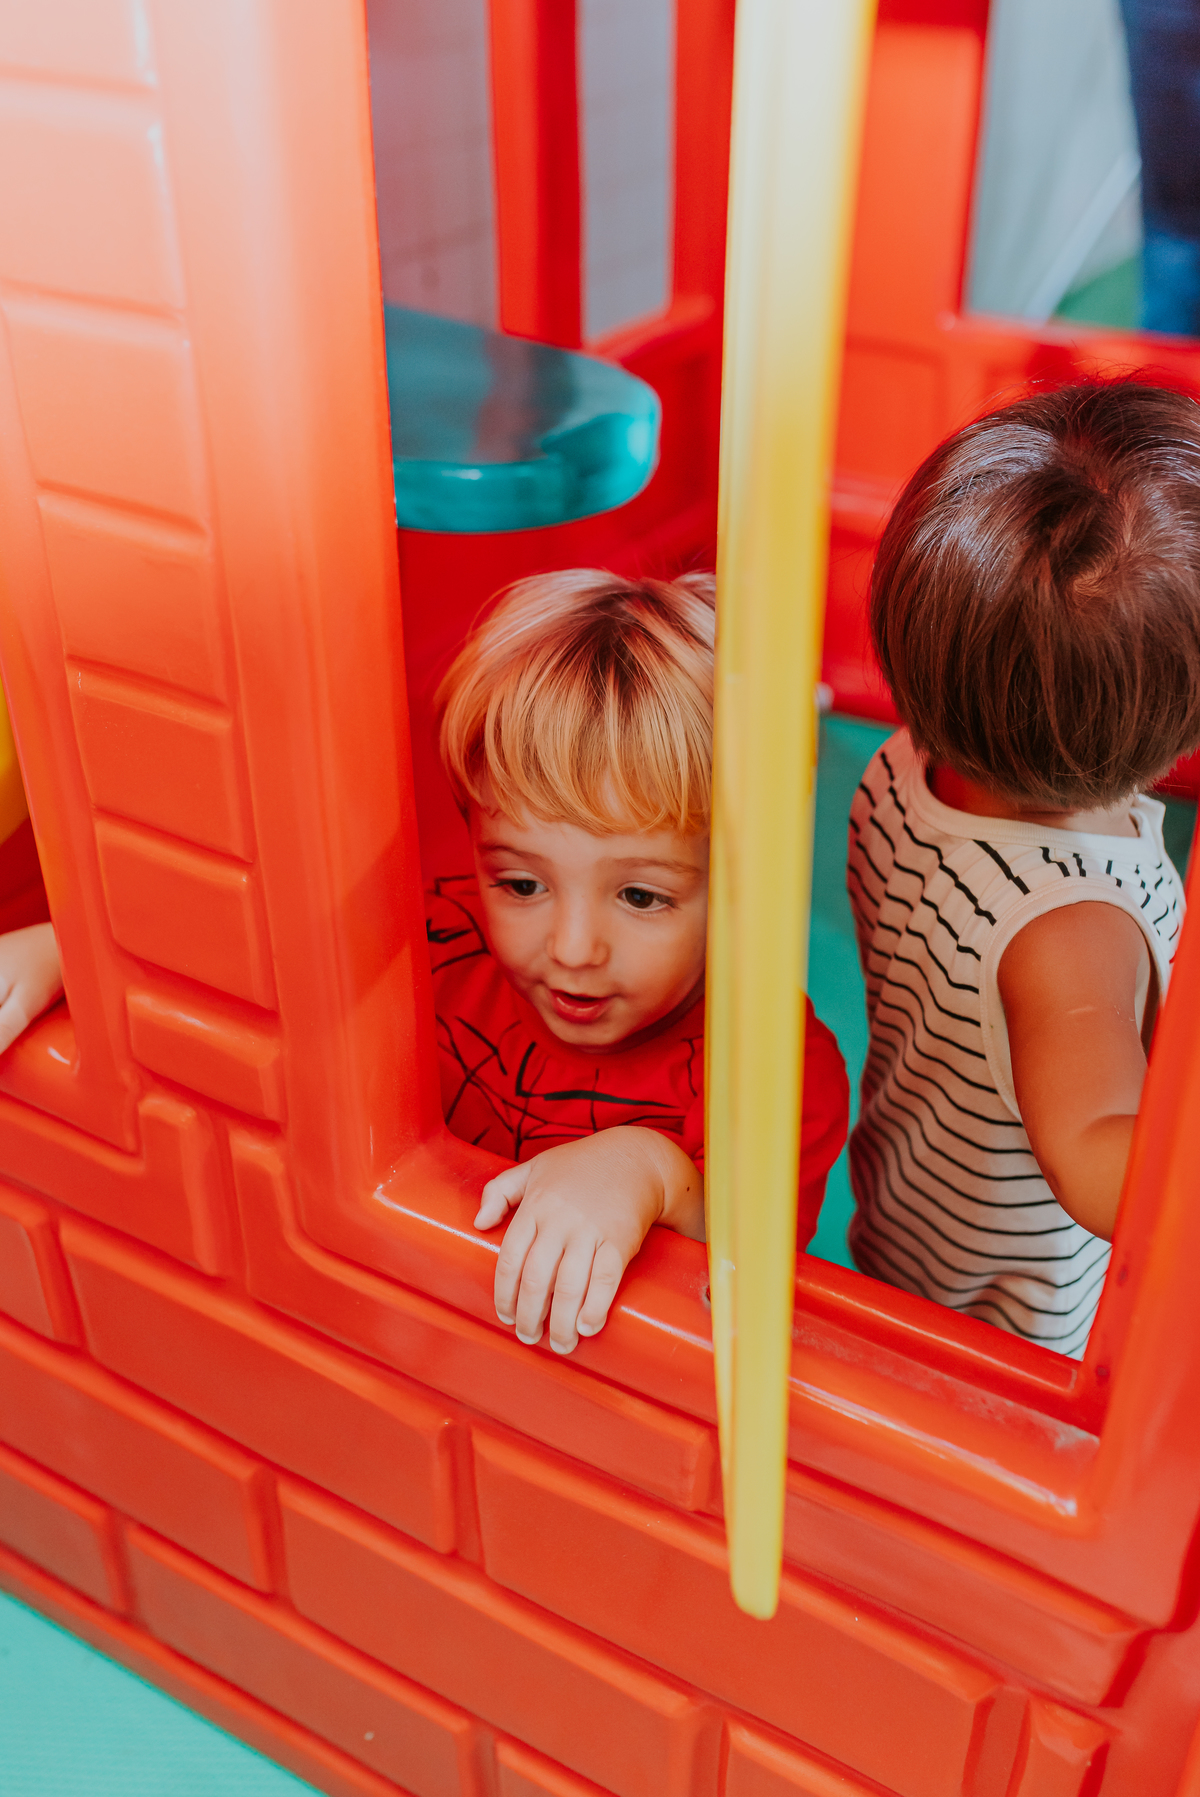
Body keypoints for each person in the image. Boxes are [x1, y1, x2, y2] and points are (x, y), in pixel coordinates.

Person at [847, 380, 1200, 1358]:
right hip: (1019, 1313)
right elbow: (1096, 1166)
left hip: (914, 1201)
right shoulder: (1073, 929)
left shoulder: (901, 763)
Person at [430, 568, 849, 1356]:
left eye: (642, 897)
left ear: (737, 884)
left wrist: (651, 1170)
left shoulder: (770, 1067)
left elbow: (743, 1277)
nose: (573, 948)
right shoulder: (432, 946)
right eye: (522, 883)